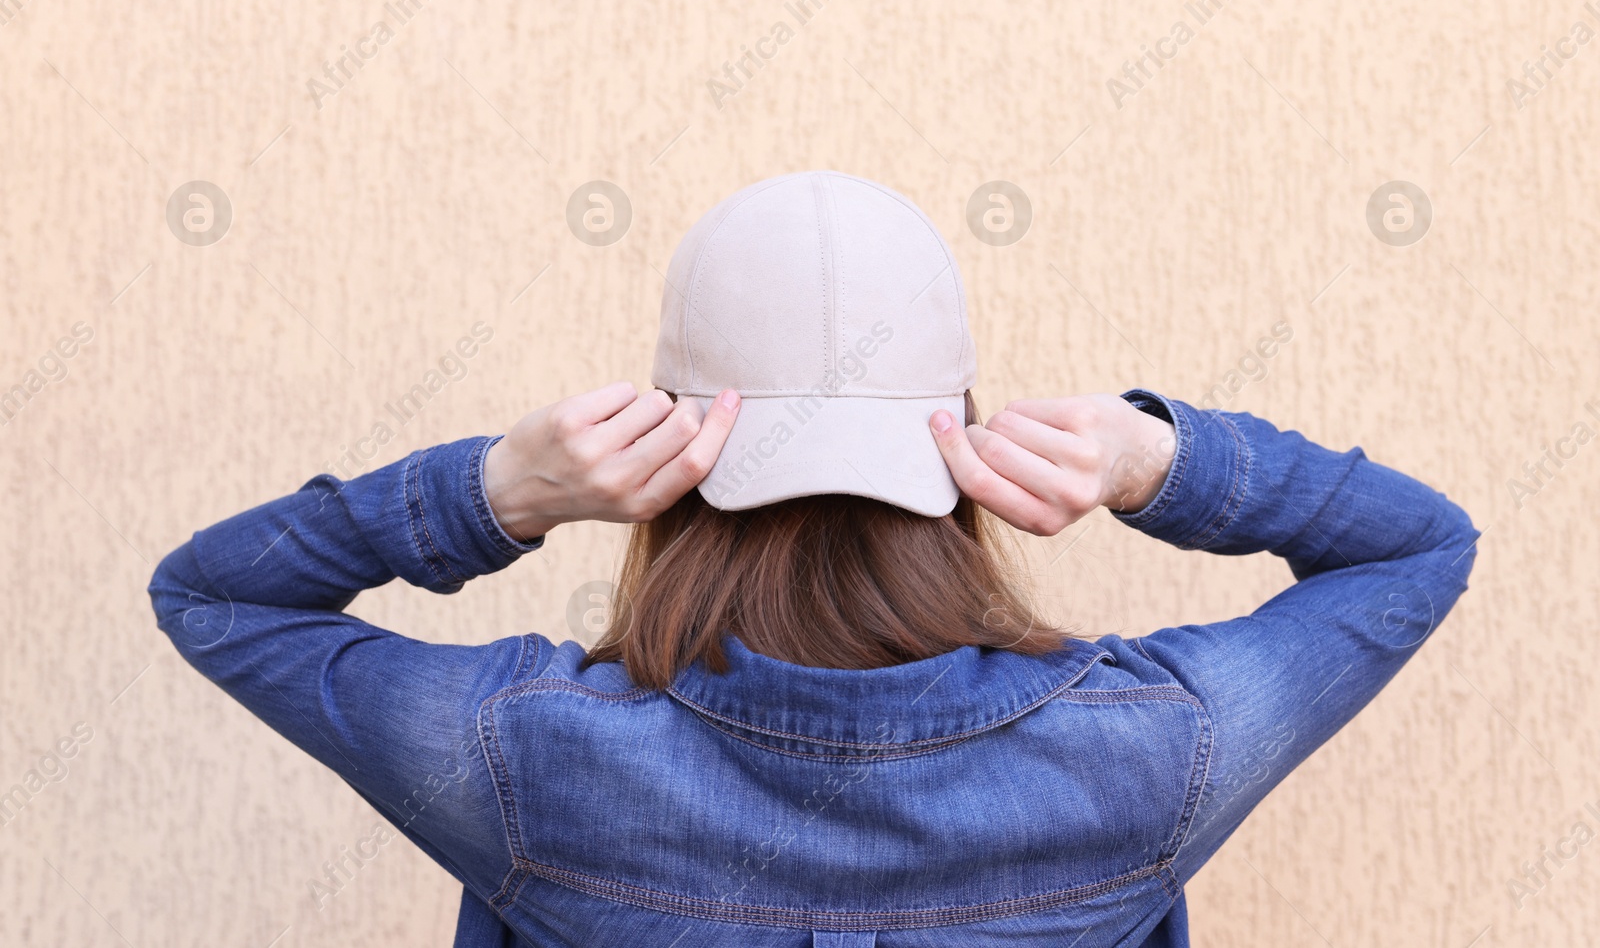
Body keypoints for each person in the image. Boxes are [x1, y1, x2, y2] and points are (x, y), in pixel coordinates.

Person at [149, 171, 1478, 947]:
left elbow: (216, 593)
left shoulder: (528, 757)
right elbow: (1417, 548)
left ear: (670, 458)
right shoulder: (1153, 752)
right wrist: (1157, 460)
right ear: (949, 446)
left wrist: (499, 491)